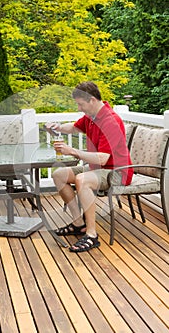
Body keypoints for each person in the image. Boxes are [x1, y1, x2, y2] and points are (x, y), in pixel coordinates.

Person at [46, 81, 133, 253]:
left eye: (81, 104)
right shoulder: (92, 117)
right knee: (59, 175)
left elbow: (102, 158)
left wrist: (72, 151)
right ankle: (79, 224)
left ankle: (92, 235)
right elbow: (74, 127)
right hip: (97, 169)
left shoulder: (110, 121)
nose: (79, 108)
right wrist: (58, 127)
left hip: (116, 172)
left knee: (82, 179)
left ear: (92, 100)